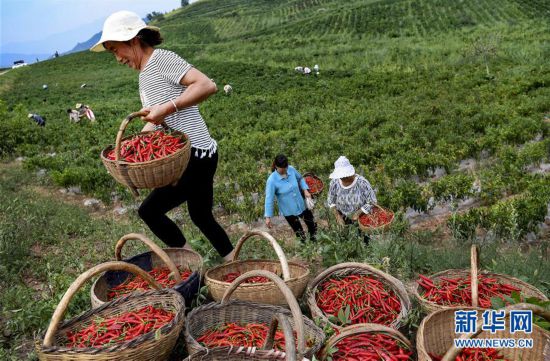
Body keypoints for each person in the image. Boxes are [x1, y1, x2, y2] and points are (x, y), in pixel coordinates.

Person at [90, 10, 235, 261]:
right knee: (201, 216)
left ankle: (190, 263)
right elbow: (157, 122)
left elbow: (206, 85)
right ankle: (234, 263)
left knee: (149, 211)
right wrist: (131, 149)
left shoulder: (160, 60)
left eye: (115, 49)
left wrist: (167, 108)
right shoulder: (145, 75)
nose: (116, 58)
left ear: (133, 40)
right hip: (197, 154)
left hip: (194, 155)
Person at [264, 154, 317, 242]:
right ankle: (304, 248)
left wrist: (305, 190)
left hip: (301, 204)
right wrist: (268, 217)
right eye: (282, 168)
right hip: (288, 210)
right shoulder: (272, 180)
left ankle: (314, 241)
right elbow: (269, 199)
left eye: (286, 167)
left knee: (312, 224)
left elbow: (300, 178)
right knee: (299, 232)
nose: (285, 170)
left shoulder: (291, 169)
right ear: (276, 166)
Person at [327, 156, 377, 245]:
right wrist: (338, 216)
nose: (343, 178)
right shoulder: (334, 183)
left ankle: (366, 251)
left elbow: (372, 201)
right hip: (343, 214)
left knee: (364, 237)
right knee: (347, 236)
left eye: (345, 176)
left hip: (361, 216)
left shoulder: (362, 183)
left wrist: (358, 213)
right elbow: (331, 200)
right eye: (341, 176)